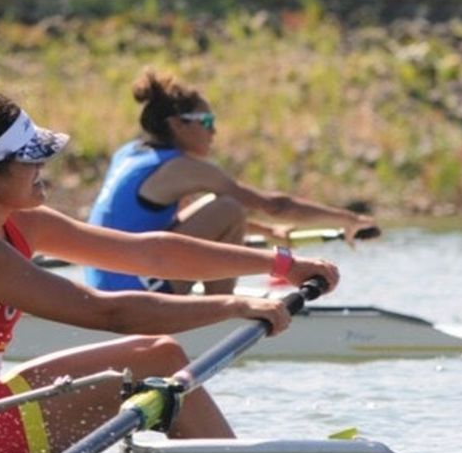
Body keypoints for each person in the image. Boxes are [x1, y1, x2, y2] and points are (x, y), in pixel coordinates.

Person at [0, 80, 341, 453]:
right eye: (31, 161)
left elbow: (152, 256)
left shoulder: (19, 222)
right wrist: (235, 304)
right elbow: (108, 314)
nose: (43, 168)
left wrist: (281, 262)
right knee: (158, 357)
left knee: (158, 356)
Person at [87, 69, 377, 295]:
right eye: (207, 122)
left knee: (221, 207)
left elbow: (176, 219)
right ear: (178, 124)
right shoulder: (183, 168)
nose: (214, 131)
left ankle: (211, 300)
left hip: (105, 282)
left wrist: (267, 231)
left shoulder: (130, 153)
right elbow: (275, 205)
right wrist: (349, 219)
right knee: (230, 208)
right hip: (134, 290)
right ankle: (221, 310)